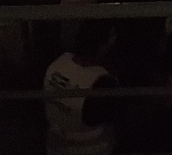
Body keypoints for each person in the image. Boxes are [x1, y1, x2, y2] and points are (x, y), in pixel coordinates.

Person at [44, 20, 120, 155]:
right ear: (102, 44)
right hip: (92, 147)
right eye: (112, 35)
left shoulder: (58, 62)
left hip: (55, 145)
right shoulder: (101, 81)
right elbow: (113, 116)